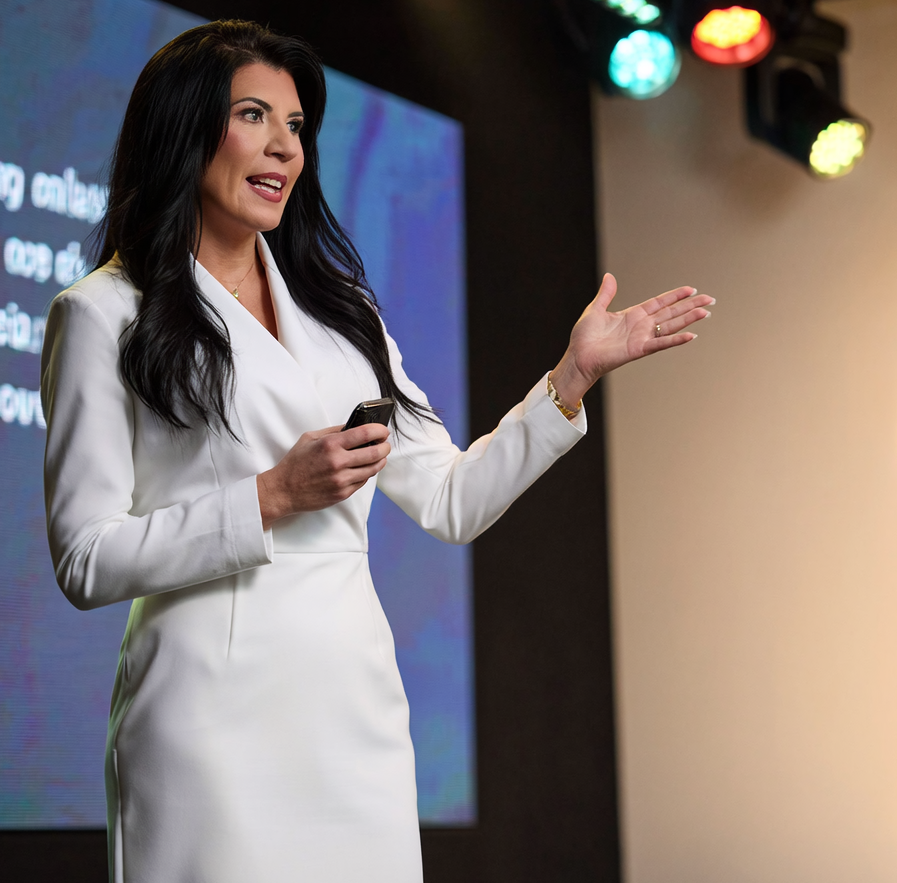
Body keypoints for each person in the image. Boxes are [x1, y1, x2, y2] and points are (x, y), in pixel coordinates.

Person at [39, 21, 711, 882]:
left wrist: (570, 376)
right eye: (254, 115)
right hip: (208, 724)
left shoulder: (339, 311)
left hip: (351, 713)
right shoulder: (103, 312)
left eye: (297, 126)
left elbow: (453, 500)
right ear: (184, 126)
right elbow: (85, 558)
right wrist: (271, 495)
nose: (285, 146)